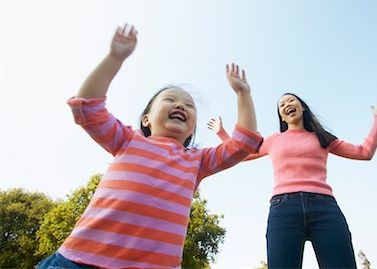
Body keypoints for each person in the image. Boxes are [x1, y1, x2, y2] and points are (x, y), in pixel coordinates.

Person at [37, 24, 262, 269]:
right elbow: (87, 108)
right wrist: (114, 58)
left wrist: (243, 94)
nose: (181, 105)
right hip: (81, 260)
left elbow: (244, 143)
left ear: (192, 128)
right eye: (170, 99)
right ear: (146, 119)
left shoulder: (197, 161)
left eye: (189, 105)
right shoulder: (127, 140)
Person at [208, 93, 377, 269]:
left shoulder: (323, 138)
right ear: (281, 116)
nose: (287, 105)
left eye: (291, 101)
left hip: (325, 208)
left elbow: (364, 152)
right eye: (282, 105)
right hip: (284, 209)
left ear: (302, 107)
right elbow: (242, 154)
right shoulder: (274, 140)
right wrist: (221, 133)